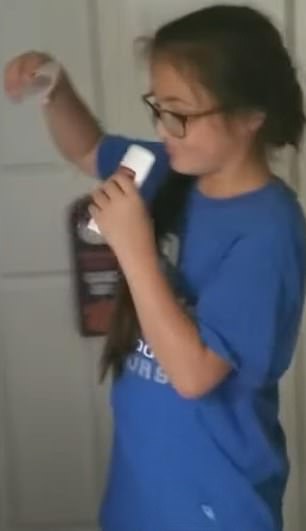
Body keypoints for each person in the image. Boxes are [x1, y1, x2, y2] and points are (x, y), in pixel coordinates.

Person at [4, 4, 306, 531]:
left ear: (251, 114)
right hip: (141, 490)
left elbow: (194, 375)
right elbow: (89, 149)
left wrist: (135, 249)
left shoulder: (269, 231)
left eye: (179, 113)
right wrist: (57, 86)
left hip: (214, 504)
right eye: (157, 106)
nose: (162, 128)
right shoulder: (170, 168)